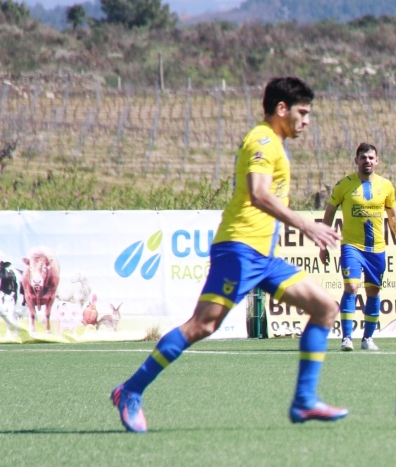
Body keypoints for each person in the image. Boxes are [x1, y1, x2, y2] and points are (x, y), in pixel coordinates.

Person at [111, 77, 347, 433]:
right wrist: (306, 225)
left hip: (263, 257)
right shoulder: (263, 140)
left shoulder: (275, 143)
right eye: (303, 112)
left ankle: (304, 401)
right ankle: (130, 390)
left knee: (325, 307)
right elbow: (258, 194)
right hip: (239, 250)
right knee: (202, 325)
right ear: (282, 109)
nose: (307, 120)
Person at [319, 143, 396, 352]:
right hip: (351, 246)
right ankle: (346, 338)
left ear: (377, 161)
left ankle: (367, 339)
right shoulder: (343, 185)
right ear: (356, 160)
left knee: (373, 292)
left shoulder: (386, 186)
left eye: (371, 158)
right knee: (351, 287)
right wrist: (323, 244)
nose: (367, 161)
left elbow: (394, 216)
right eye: (363, 158)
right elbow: (329, 213)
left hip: (377, 249)